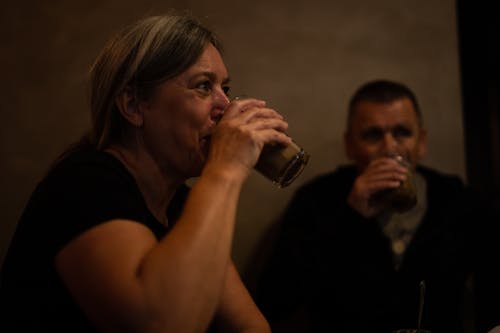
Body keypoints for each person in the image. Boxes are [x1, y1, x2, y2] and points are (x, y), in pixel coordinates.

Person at [0, 12, 292, 332]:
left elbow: (252, 328)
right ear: (134, 105)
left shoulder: (180, 203)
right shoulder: (84, 184)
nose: (226, 107)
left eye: (226, 87)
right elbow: (160, 323)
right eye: (204, 86)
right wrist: (226, 169)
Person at [255, 79, 493, 333]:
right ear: (350, 145)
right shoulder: (317, 200)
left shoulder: (455, 199)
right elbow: (275, 302)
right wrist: (351, 215)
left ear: (421, 142)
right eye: (373, 135)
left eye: (402, 133)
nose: (389, 147)